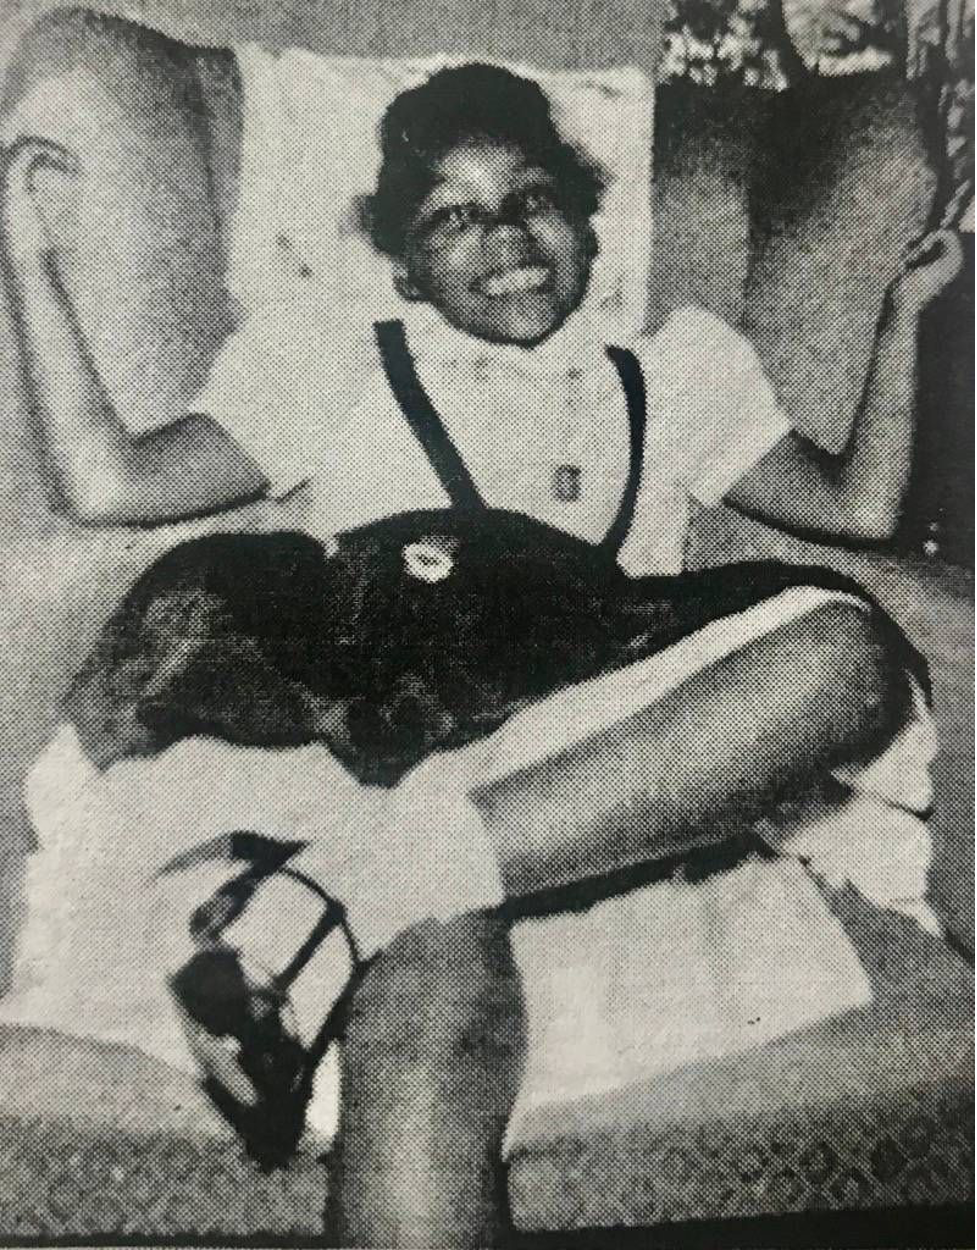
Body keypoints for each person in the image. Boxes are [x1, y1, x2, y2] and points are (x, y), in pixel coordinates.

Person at [0, 20, 962, 1245]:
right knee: (427, 1015)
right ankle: (366, 890)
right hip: (383, 757)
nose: (503, 239)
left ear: (585, 219)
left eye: (530, 200)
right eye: (452, 218)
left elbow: (853, 510)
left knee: (845, 655)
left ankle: (330, 901)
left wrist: (902, 319)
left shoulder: (669, 374)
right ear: (402, 263)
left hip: (591, 777)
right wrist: (28, 258)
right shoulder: (335, 363)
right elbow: (108, 480)